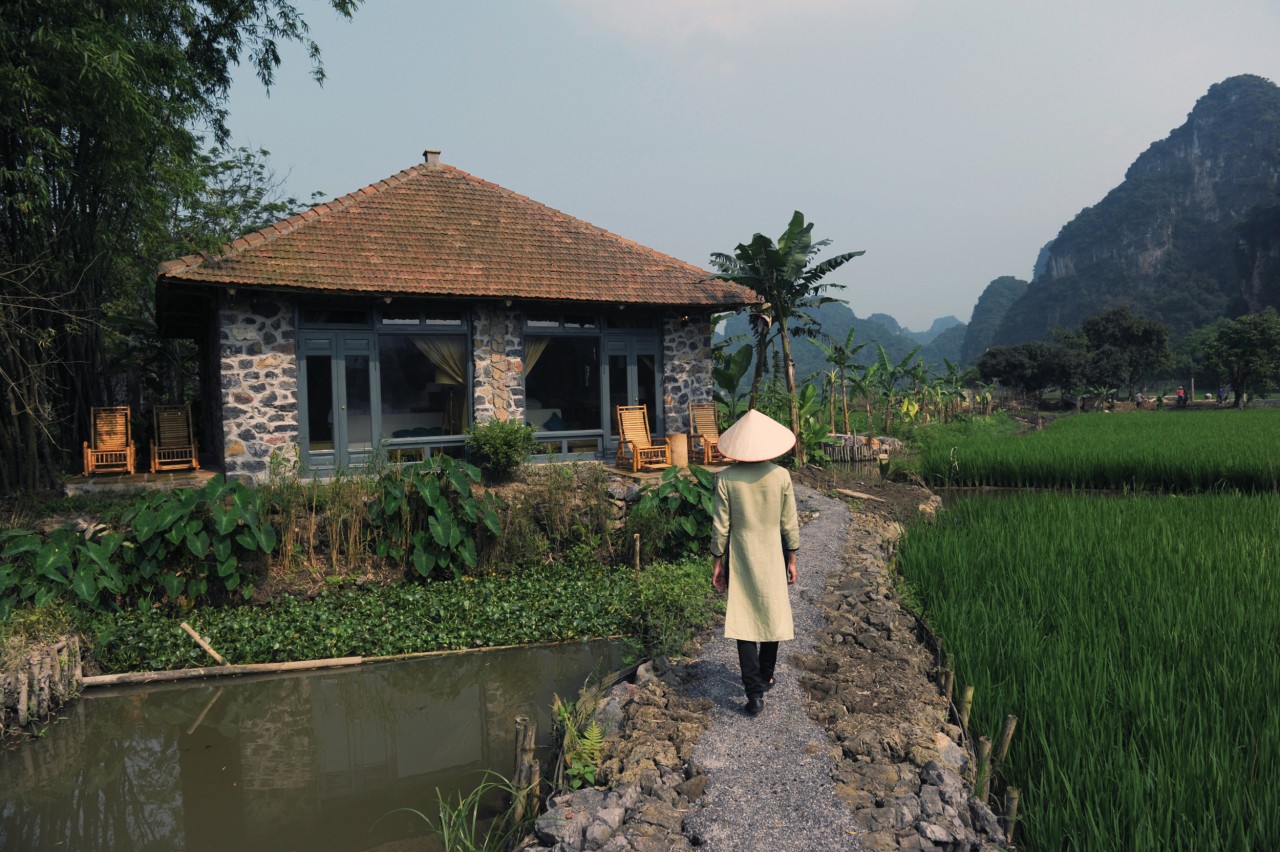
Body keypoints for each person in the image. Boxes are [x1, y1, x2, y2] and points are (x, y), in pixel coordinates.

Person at [709, 409, 800, 717]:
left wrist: (717, 561)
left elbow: (721, 526)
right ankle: (766, 674)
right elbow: (789, 524)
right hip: (772, 553)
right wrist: (792, 558)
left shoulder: (727, 478)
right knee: (772, 611)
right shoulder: (781, 476)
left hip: (742, 554)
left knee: (744, 619)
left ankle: (754, 693)